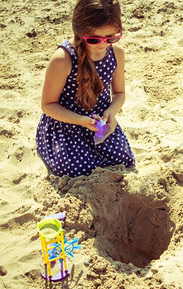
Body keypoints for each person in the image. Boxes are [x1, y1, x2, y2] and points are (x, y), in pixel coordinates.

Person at [36, 0, 135, 177]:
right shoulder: (63, 59)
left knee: (123, 158)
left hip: (100, 123)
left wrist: (111, 112)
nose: (103, 44)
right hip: (66, 123)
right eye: (95, 39)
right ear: (80, 31)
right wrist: (82, 121)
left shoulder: (116, 52)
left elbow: (120, 93)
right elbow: (48, 105)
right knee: (78, 170)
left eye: (111, 37)